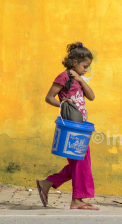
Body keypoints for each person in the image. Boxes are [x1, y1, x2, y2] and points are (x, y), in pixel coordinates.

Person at [36, 42, 98, 210]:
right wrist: (63, 103)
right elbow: (49, 97)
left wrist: (80, 79)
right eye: (85, 66)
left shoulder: (78, 78)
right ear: (75, 62)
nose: (86, 70)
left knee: (78, 164)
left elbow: (91, 96)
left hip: (81, 127)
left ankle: (47, 183)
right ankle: (77, 200)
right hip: (70, 127)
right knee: (80, 163)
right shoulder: (63, 77)